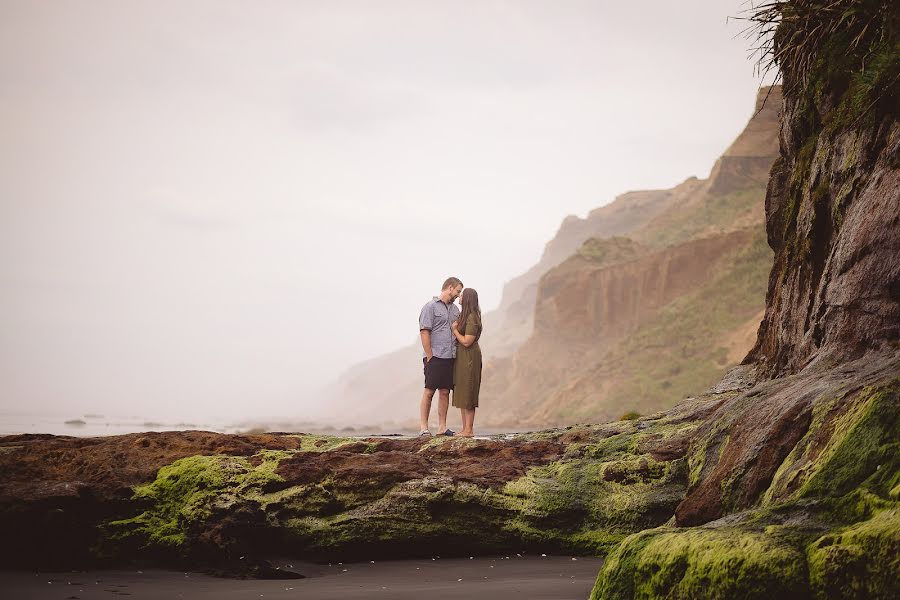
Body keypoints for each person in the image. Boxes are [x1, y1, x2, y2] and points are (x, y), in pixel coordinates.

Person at [418, 277, 463, 436]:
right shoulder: (430, 307)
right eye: (457, 291)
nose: (458, 295)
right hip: (434, 356)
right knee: (429, 391)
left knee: (445, 392)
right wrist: (430, 356)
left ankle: (442, 427)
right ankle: (424, 428)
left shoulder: (455, 310)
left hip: (450, 357)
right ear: (449, 287)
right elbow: (424, 331)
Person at [451, 288, 482, 438]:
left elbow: (467, 341)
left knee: (468, 391)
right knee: (463, 392)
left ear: (468, 298)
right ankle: (464, 429)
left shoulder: (472, 317)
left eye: (462, 295)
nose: (459, 296)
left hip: (469, 357)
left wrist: (455, 330)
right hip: (462, 357)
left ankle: (469, 430)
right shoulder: (466, 316)